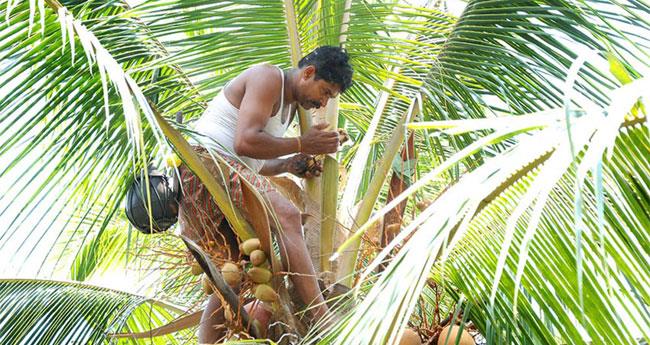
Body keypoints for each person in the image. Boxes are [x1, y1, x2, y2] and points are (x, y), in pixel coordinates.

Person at [177, 46, 353, 343]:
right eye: (324, 92)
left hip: (223, 174)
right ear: (308, 73)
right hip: (206, 165)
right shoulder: (268, 77)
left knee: (233, 277)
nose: (322, 102)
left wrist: (287, 165)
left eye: (329, 99)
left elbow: (253, 162)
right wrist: (301, 143)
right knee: (287, 216)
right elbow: (245, 142)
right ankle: (321, 318)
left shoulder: (287, 107)